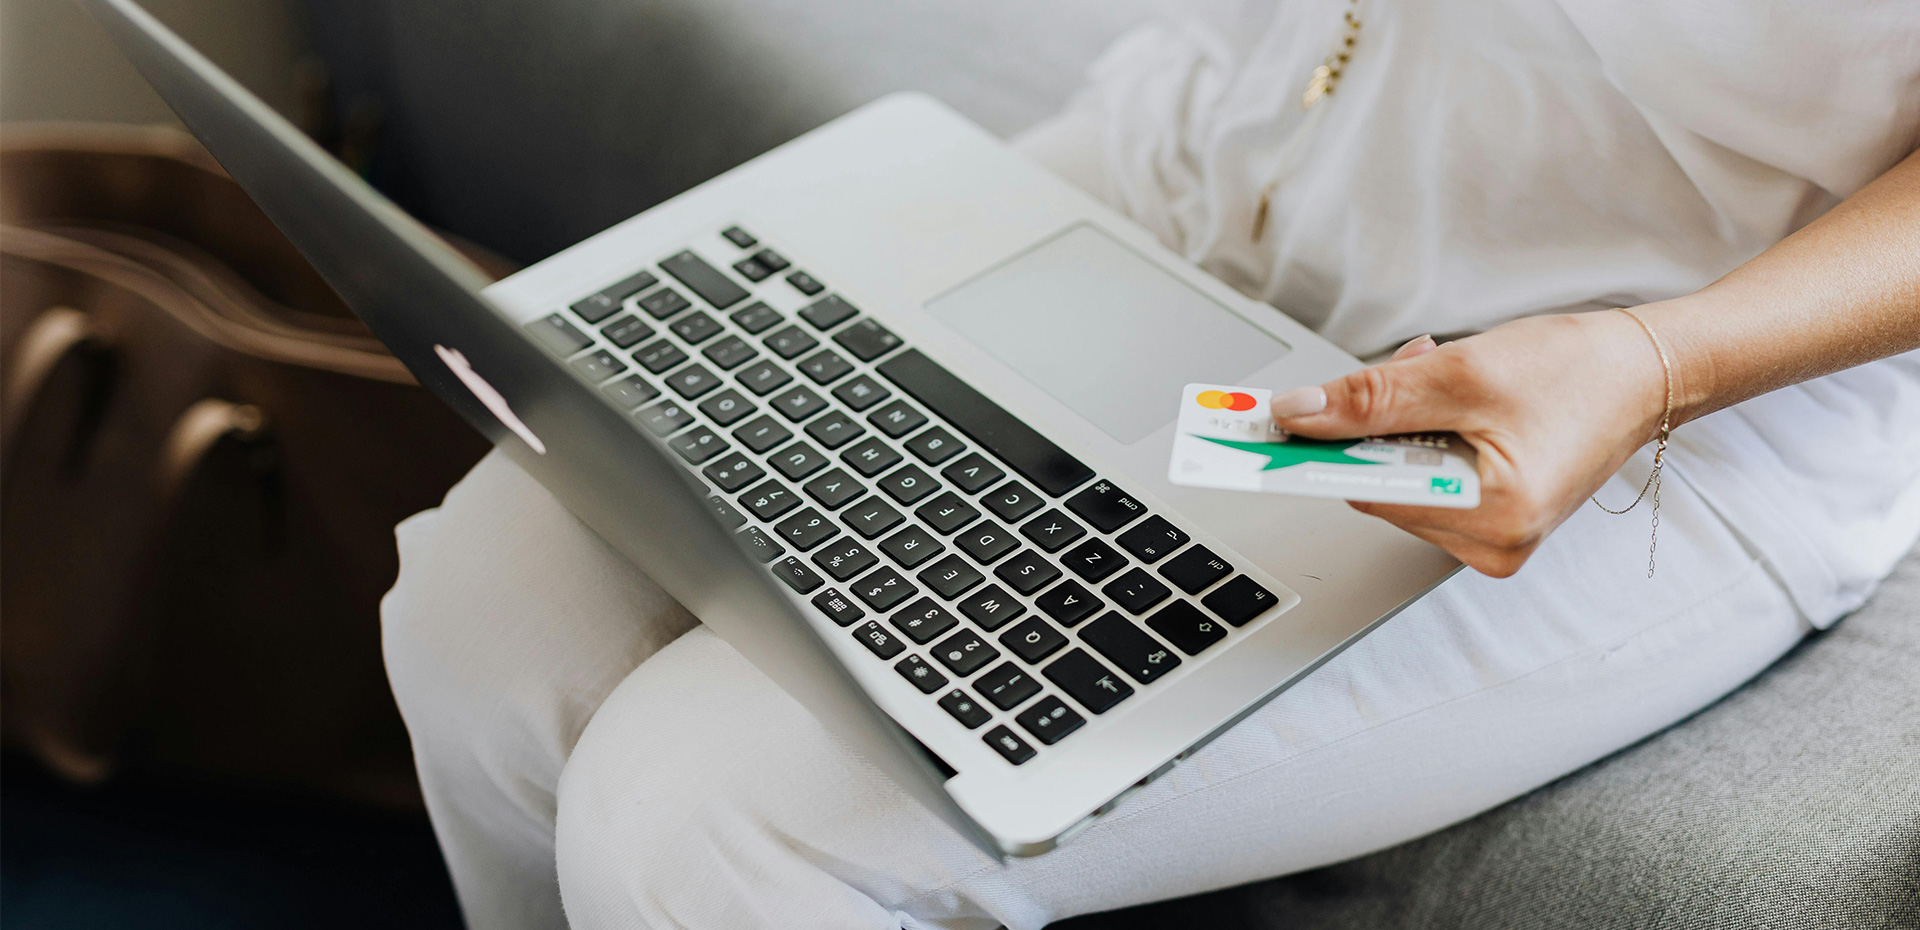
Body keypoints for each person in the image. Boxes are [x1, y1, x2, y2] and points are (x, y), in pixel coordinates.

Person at [381, 3, 1920, 928]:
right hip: (1186, 165)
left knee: (702, 813)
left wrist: (1665, 357)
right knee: (477, 611)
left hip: (1627, 379)